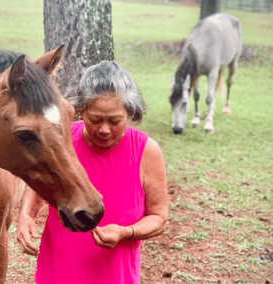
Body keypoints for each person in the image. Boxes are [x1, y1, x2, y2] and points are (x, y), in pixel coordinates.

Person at [17, 60, 168, 284]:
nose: (104, 129)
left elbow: (159, 218)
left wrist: (125, 232)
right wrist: (25, 215)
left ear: (129, 112)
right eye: (95, 119)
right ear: (80, 110)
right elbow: (39, 186)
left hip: (115, 276)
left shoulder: (146, 151)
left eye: (115, 120)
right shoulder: (64, 139)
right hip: (58, 271)